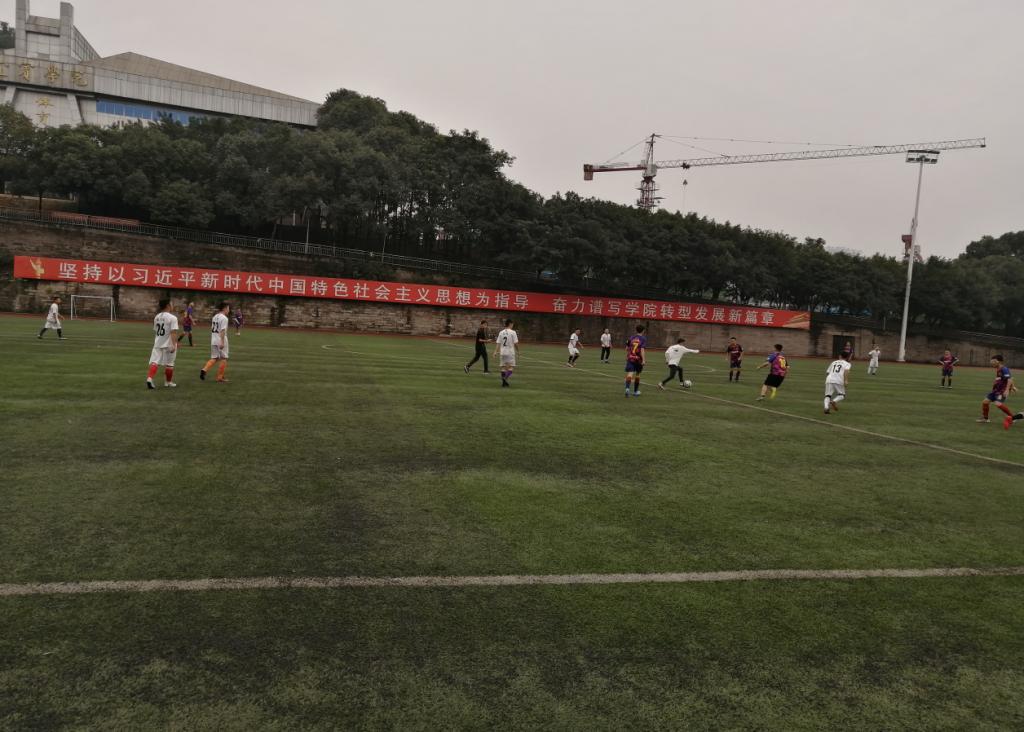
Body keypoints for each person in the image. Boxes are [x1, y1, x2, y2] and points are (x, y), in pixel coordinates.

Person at [147, 299, 179, 389]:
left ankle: (149, 378)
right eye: (171, 304)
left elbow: (156, 330)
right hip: (168, 344)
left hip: (158, 342)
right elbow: (173, 332)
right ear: (168, 305)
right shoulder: (173, 318)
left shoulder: (157, 317)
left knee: (155, 362)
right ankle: (168, 382)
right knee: (170, 363)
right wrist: (173, 344)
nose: (172, 305)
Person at [977, 354, 1014, 424]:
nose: (992, 363)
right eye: (991, 361)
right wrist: (1013, 386)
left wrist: (1007, 390)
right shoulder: (998, 369)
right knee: (985, 402)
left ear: (998, 361)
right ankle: (985, 419)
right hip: (996, 390)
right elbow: (1006, 379)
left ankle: (1013, 418)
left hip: (1002, 391)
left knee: (998, 404)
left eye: (993, 361)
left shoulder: (1004, 369)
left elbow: (1009, 379)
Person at [201, 302, 231, 383]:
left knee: (214, 357)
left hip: (213, 339)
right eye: (228, 308)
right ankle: (220, 377)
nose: (229, 310)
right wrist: (222, 342)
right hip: (220, 339)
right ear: (224, 308)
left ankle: (204, 369)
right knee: (224, 358)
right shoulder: (224, 318)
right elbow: (222, 330)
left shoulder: (215, 316)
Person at [494, 319, 520, 388]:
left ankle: (504, 383)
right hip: (510, 352)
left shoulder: (501, 332)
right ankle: (504, 379)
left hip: (502, 352)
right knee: (511, 367)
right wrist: (518, 351)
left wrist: (495, 352)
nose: (513, 325)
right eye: (512, 324)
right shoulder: (513, 332)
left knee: (503, 367)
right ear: (510, 324)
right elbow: (516, 343)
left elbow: (498, 343)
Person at [623, 325, 647, 397]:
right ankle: (635, 391)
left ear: (636, 330)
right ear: (643, 331)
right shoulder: (643, 339)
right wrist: (644, 360)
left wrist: (629, 354)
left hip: (630, 358)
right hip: (638, 359)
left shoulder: (631, 337)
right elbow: (642, 350)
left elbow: (626, 348)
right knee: (637, 374)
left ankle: (627, 389)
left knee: (630, 373)